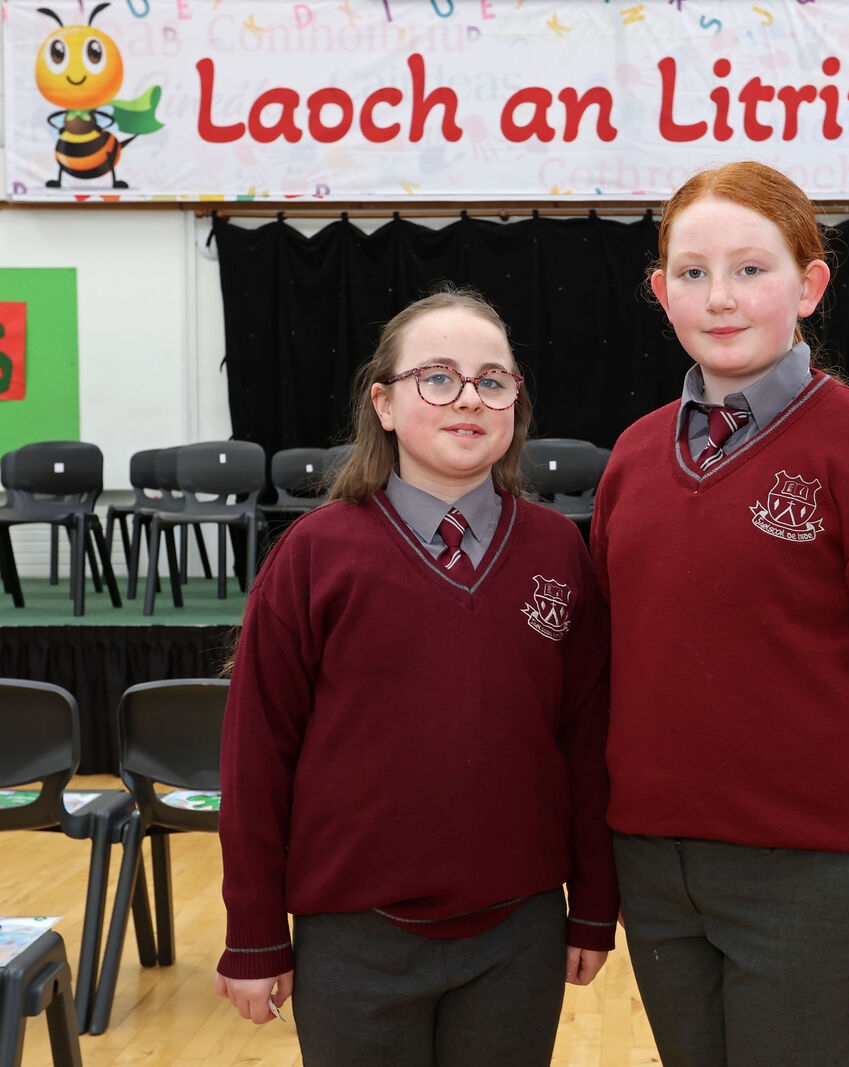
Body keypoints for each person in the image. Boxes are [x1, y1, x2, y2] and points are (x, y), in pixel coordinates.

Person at [590, 162, 849, 1066]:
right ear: (661, 293)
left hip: (816, 880)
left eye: (751, 269)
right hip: (657, 874)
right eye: (692, 273)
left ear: (808, 286)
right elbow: (612, 670)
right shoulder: (635, 457)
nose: (720, 298)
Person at [214, 286, 619, 1067]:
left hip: (518, 934)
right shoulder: (313, 554)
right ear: (385, 403)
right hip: (352, 937)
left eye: (492, 379)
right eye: (437, 376)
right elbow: (257, 755)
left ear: (515, 405)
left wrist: (595, 905)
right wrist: (254, 933)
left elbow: (588, 739)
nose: (469, 397)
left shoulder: (561, 552)